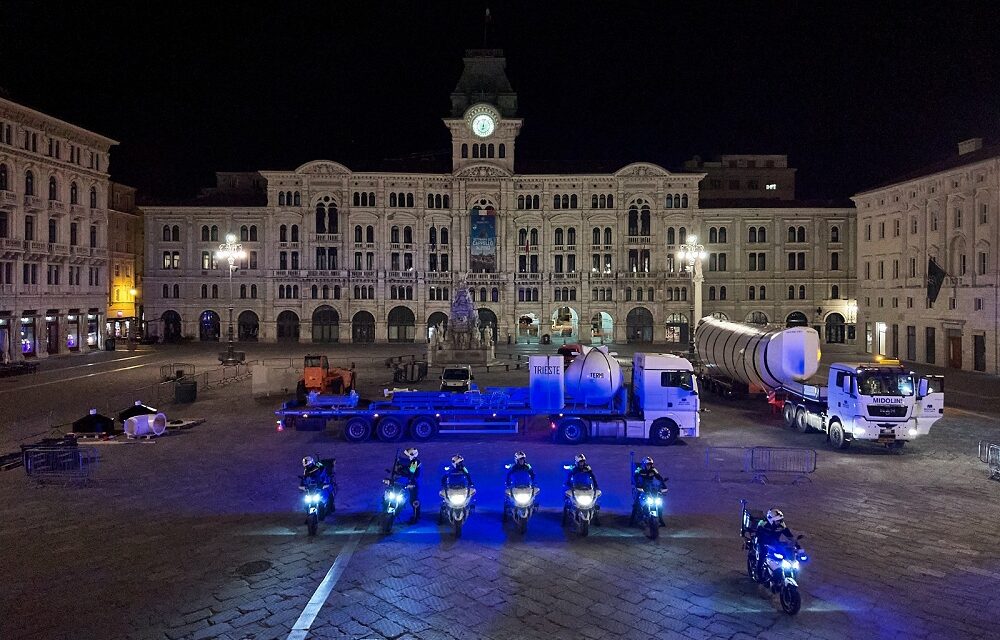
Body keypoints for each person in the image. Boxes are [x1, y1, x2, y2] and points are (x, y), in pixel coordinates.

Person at [753, 508, 797, 578]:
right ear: (771, 520)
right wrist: (762, 544)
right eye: (777, 521)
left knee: (785, 555)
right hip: (763, 543)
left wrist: (795, 543)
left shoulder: (781, 525)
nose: (779, 522)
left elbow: (789, 535)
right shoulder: (763, 524)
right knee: (762, 556)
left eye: (780, 520)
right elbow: (758, 536)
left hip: (774, 543)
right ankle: (759, 574)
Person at [631, 456, 667, 526]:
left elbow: (659, 477)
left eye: (650, 464)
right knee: (636, 503)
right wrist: (637, 484)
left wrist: (663, 485)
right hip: (641, 487)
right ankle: (631, 520)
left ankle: (660, 518)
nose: (649, 466)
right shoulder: (639, 469)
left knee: (660, 503)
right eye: (647, 464)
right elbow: (635, 477)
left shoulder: (653, 470)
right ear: (644, 465)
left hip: (650, 487)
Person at [392, 448, 422, 523]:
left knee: (413, 500)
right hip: (406, 481)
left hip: (412, 483)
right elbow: (401, 466)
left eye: (409, 453)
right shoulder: (411, 461)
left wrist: (408, 482)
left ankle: (416, 517)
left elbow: (411, 473)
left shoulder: (415, 462)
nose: (407, 454)